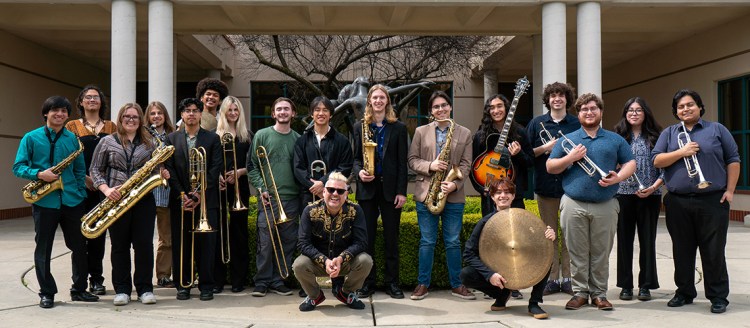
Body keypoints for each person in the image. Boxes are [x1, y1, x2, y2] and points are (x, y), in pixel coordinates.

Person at [653, 89, 739, 314]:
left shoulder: (716, 129)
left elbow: (733, 159)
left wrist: (730, 191)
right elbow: (657, 160)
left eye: (690, 104)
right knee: (682, 250)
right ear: (676, 111)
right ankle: (684, 292)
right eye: (680, 106)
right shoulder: (670, 133)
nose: (685, 109)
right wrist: (682, 152)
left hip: (712, 200)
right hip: (678, 201)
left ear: (700, 107)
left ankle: (718, 296)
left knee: (713, 251)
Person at [546, 93, 635, 311]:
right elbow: (550, 166)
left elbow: (630, 162)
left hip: (606, 202)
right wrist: (571, 158)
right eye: (584, 109)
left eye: (593, 108)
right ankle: (579, 293)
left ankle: (599, 294)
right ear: (578, 112)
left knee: (601, 252)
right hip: (573, 202)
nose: (589, 112)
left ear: (601, 111)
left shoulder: (615, 139)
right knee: (576, 251)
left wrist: (619, 177)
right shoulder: (569, 139)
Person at [13, 96, 100, 308]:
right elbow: (18, 167)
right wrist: (39, 174)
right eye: (55, 110)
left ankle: (79, 289)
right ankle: (47, 292)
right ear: (46, 113)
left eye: (63, 111)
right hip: (45, 200)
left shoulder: (72, 140)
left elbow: (80, 170)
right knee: (43, 248)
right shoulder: (31, 138)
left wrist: (79, 192)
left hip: (71, 200)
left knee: (79, 246)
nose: (59, 114)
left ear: (67, 115)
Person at [89, 103, 165, 306]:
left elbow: (156, 169)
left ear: (141, 120)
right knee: (119, 246)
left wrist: (162, 173)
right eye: (127, 116)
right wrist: (106, 189)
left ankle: (145, 289)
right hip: (116, 200)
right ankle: (122, 289)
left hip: (143, 200)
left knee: (143, 246)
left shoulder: (150, 144)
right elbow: (95, 170)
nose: (131, 120)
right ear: (120, 118)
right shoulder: (107, 141)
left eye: (135, 117)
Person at [407, 90, 474, 301]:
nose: (441, 109)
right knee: (427, 241)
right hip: (426, 192)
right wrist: (430, 165)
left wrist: (454, 185)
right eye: (436, 106)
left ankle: (457, 284)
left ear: (450, 107)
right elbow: (412, 160)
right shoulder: (420, 131)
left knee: (453, 241)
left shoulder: (464, 133)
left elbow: (466, 164)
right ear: (431, 111)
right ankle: (422, 284)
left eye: (444, 105)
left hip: (452, 194)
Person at [460, 178, 555, 319]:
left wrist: (549, 234)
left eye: (507, 192)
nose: (503, 195)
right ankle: (502, 294)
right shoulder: (485, 223)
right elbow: (468, 253)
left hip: (521, 264)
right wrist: (489, 274)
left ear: (513, 196)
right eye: (498, 192)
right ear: (492, 197)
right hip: (497, 270)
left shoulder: (524, 219)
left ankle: (534, 302)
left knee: (546, 260)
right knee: (466, 274)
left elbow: (540, 242)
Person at [471, 94, 534, 300]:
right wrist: (481, 189)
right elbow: (474, 168)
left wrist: (518, 155)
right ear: (488, 111)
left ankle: (513, 283)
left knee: (514, 239)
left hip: (512, 195)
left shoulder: (520, 133)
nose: (496, 110)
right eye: (492, 107)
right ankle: (492, 282)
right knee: (489, 238)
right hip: (490, 195)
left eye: (500, 106)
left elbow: (530, 162)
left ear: (507, 109)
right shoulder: (481, 135)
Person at [352, 85, 409, 299]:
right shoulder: (360, 126)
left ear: (387, 101)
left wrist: (402, 192)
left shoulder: (399, 128)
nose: (378, 101)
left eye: (382, 97)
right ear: (369, 101)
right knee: (366, 239)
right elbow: (355, 159)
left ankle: (392, 283)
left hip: (390, 190)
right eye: (374, 97)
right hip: (367, 190)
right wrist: (359, 174)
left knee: (391, 239)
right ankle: (368, 283)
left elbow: (403, 164)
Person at [164, 98, 222, 301]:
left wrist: (199, 194)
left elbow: (215, 170)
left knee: (206, 245)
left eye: (195, 111)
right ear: (181, 115)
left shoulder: (212, 139)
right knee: (182, 243)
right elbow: (168, 169)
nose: (191, 114)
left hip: (206, 200)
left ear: (200, 114)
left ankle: (207, 285)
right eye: (187, 111)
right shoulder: (171, 139)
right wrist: (183, 195)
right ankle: (183, 284)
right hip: (181, 200)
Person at [525, 82, 579, 296]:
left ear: (567, 99)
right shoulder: (537, 123)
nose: (557, 99)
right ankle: (551, 278)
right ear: (547, 100)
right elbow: (527, 155)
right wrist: (546, 148)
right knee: (549, 234)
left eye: (561, 95)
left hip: (570, 186)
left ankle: (568, 279)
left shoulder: (576, 124)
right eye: (553, 96)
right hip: (545, 186)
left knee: (568, 234)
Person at [293, 172, 373, 312]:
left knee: (366, 260)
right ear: (324, 192)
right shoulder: (309, 211)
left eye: (340, 191)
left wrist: (341, 258)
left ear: (346, 194)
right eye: (331, 190)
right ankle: (315, 296)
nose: (335, 194)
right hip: (318, 263)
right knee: (299, 264)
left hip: (344, 262)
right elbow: (303, 244)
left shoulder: (356, 210)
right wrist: (325, 261)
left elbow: (361, 242)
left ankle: (346, 293)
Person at [65, 85, 117, 296]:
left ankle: (97, 280)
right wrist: (86, 179)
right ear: (81, 102)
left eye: (96, 97)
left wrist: (101, 183)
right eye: (88, 97)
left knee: (98, 235)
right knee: (79, 238)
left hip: (104, 188)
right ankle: (79, 281)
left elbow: (116, 155)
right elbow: (67, 157)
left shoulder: (112, 126)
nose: (92, 100)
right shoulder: (72, 126)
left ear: (101, 102)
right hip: (80, 187)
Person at [247, 97, 301, 297]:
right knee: (265, 242)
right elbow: (252, 167)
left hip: (291, 198)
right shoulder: (261, 135)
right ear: (273, 113)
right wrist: (261, 189)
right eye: (279, 109)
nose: (283, 112)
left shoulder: (298, 138)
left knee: (288, 241)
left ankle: (279, 280)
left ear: (293, 113)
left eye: (286, 109)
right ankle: (261, 281)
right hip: (268, 198)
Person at [613, 97, 664, 301]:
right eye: (630, 110)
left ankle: (646, 285)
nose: (634, 113)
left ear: (645, 113)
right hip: (624, 195)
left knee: (648, 241)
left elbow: (665, 168)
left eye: (638, 110)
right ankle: (626, 285)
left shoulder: (657, 136)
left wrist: (653, 187)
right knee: (624, 242)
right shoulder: (617, 136)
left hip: (650, 195)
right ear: (625, 113)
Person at [213, 96, 253, 294]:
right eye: (229, 110)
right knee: (220, 232)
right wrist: (218, 176)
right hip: (220, 187)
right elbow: (212, 161)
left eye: (236, 110)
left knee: (239, 234)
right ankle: (218, 279)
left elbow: (253, 164)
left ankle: (239, 279)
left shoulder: (247, 135)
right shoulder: (215, 135)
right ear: (223, 112)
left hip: (240, 186)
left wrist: (240, 172)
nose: (233, 113)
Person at [294, 96, 353, 206]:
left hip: (335, 193)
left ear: (330, 115)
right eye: (317, 110)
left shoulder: (342, 141)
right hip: (308, 194)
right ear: (312, 114)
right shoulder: (302, 141)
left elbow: (345, 167)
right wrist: (315, 187)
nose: (321, 113)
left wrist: (323, 183)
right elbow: (298, 168)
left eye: (325, 110)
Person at [145, 101, 176, 289]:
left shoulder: (173, 136)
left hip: (166, 193)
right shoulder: (141, 136)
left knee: (166, 238)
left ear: (165, 116)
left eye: (160, 113)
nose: (156, 116)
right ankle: (142, 278)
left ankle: (163, 275)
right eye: (152, 114)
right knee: (143, 239)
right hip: (147, 193)